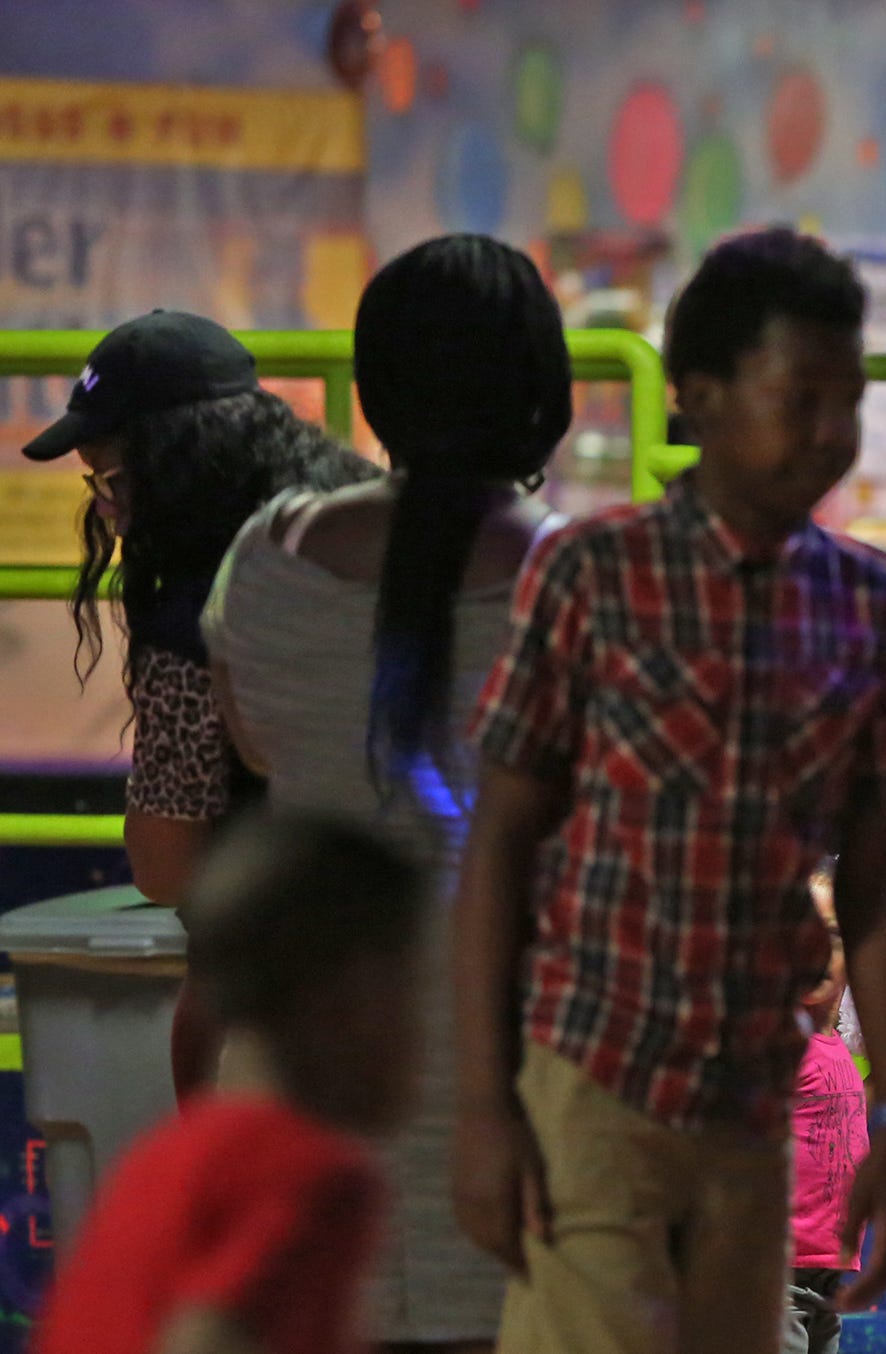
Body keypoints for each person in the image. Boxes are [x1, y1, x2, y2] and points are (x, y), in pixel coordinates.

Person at [452, 227, 886, 1354]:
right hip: (592, 1080)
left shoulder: (868, 606)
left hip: (753, 1107)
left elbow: (874, 881)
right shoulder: (591, 574)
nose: (833, 432)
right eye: (800, 395)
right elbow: (501, 847)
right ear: (699, 398)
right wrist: (484, 1104)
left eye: (850, 401)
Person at [203, 235, 572, 1354]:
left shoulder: (262, 564)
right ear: (540, 393)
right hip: (507, 1104)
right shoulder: (581, 584)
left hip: (303, 1081)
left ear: (372, 391)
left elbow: (256, 747)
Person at [19, 311, 375, 1098]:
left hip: (282, 980)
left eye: (113, 481)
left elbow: (165, 861)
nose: (107, 510)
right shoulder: (368, 522)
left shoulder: (196, 613)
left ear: (180, 466)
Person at [34, 810, 428, 1354]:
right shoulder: (307, 1171)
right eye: (408, 992)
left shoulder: (171, 1151)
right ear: (346, 1004)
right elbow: (204, 1340)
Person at [786, 871, 867, 1354]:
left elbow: (834, 1117)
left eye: (832, 937)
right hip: (779, 1262)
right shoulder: (778, 1042)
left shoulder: (832, 1046)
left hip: (830, 1266)